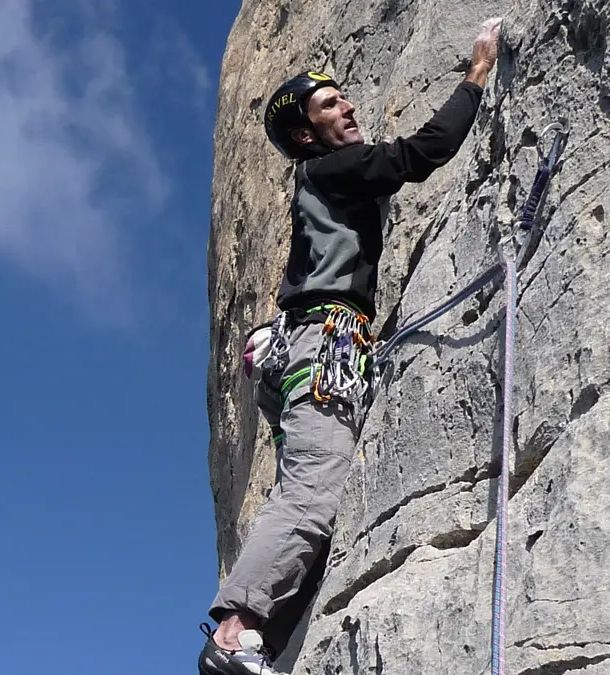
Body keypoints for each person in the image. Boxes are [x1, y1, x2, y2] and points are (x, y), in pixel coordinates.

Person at [198, 16, 505, 675]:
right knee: (310, 495)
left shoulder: (321, 174)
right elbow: (417, 155)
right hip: (322, 342)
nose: (350, 104)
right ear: (305, 132)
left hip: (312, 348)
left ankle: (262, 642)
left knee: (314, 500)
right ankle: (233, 631)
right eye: (332, 103)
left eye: (344, 95)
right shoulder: (331, 167)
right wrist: (477, 75)